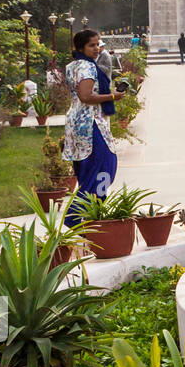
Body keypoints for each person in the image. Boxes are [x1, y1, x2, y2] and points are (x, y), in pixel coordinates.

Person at [62, 29, 124, 223]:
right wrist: (113, 96)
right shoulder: (87, 68)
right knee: (105, 166)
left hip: (78, 121)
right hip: (90, 122)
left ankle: (89, 217)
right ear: (80, 47)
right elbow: (86, 96)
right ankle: (75, 217)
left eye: (98, 44)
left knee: (88, 169)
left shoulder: (74, 65)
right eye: (91, 45)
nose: (97, 49)